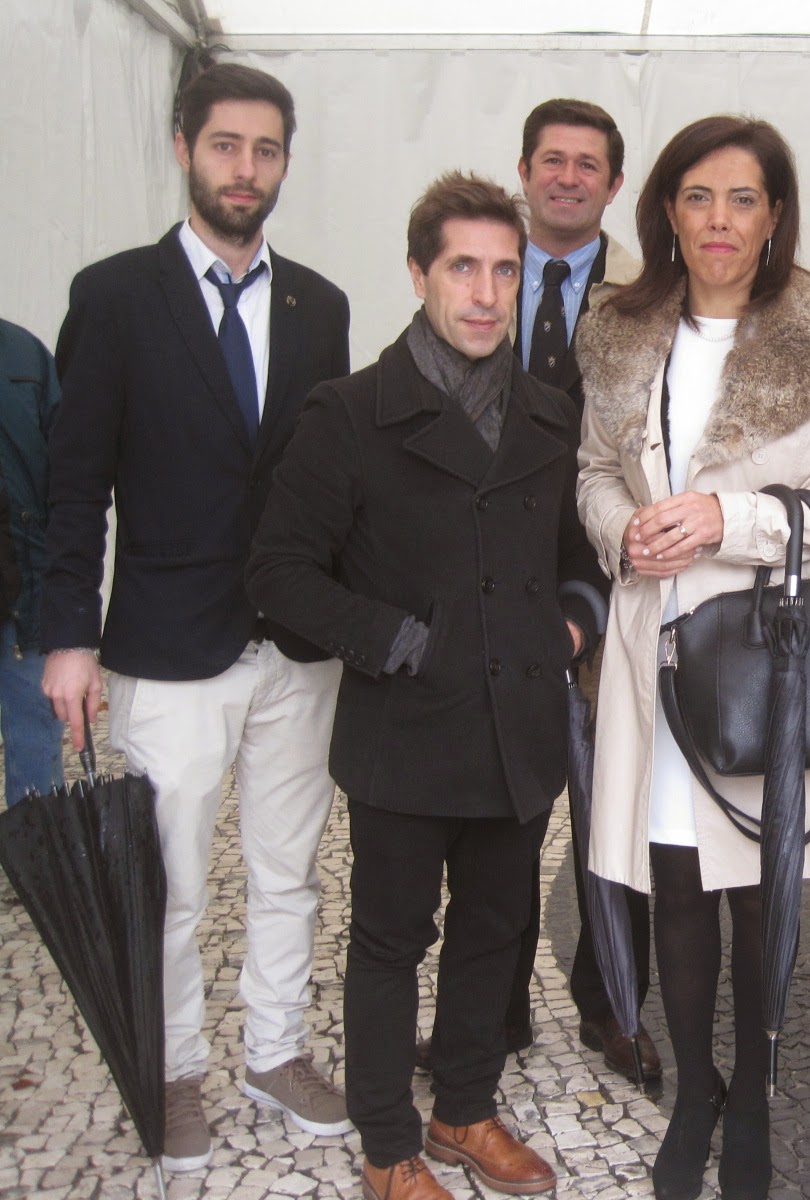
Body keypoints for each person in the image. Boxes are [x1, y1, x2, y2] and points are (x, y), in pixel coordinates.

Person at [248, 171, 608, 1200]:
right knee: (392, 940)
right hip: (406, 731)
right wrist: (398, 640)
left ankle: (464, 1108)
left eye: (505, 271)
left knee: (496, 931)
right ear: (418, 274)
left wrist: (571, 622)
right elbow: (278, 573)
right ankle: (387, 1144)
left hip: (517, 727)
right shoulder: (351, 413)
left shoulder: (549, 414)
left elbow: (576, 556)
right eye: (463, 268)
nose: (486, 294)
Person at [40, 63, 352, 1172]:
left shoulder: (320, 305)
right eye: (226, 145)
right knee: (168, 883)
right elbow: (74, 482)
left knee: (289, 868)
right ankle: (173, 1069)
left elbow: (325, 481)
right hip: (167, 646)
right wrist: (68, 636)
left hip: (296, 646)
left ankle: (276, 1051)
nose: (245, 169)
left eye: (266, 149)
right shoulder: (115, 296)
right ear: (184, 150)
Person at [575, 115, 810, 1200]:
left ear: (774, 214)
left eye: (742, 198)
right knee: (674, 875)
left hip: (760, 651)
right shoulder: (617, 330)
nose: (719, 219)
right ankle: (695, 1088)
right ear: (666, 208)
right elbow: (591, 470)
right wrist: (624, 530)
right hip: (651, 641)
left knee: (757, 880)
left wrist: (726, 519)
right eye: (698, 196)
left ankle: (751, 1089)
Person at [429, 96, 656, 1082]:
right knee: (499, 810)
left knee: (621, 802)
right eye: (551, 160)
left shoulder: (649, 300)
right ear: (523, 171)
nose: (568, 177)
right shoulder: (477, 279)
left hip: (616, 583)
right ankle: (494, 1010)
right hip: (496, 583)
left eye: (587, 164)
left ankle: (615, 1003)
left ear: (614, 183)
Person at [0, 318, 64, 808]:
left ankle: (35, 852)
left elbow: (71, 482)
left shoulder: (24, 355)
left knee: (37, 768)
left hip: (21, 602)